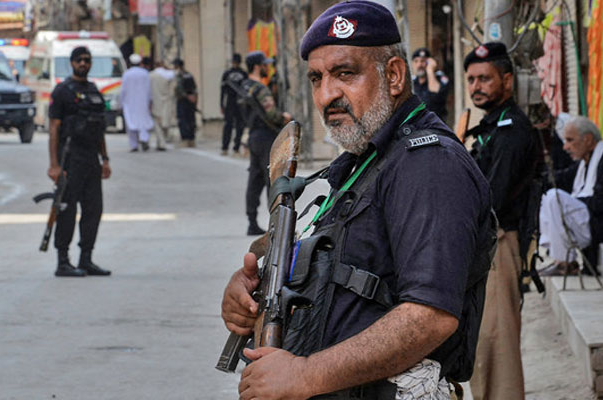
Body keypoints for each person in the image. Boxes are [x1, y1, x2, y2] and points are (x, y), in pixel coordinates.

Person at [220, 2, 494, 398]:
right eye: (316, 78)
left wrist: (305, 374)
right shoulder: (365, 161)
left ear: (394, 75)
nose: (327, 94)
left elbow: (429, 317)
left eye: (345, 73)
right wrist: (253, 297)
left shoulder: (429, 165)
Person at [463, 41, 539, 399]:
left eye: (485, 78)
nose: (477, 86)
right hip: (487, 246)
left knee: (497, 345)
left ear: (507, 81)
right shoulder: (491, 125)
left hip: (499, 245)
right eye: (472, 79)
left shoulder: (511, 130)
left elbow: (492, 197)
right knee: (483, 345)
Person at [47, 46, 111, 278]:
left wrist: (105, 159)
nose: (84, 64)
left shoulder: (94, 91)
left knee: (93, 210)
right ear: (72, 63)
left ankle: (86, 259)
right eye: (79, 60)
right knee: (66, 209)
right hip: (70, 157)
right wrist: (54, 165)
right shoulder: (62, 91)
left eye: (87, 60)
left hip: (91, 159)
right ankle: (63, 261)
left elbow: (100, 129)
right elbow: (54, 129)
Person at [539, 116, 603, 276]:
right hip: (587, 222)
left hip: (598, 224)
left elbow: (600, 202)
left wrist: (574, 202)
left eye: (569, 140)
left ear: (588, 140)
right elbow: (559, 177)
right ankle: (562, 260)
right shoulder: (583, 163)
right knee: (547, 196)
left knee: (555, 197)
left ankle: (564, 262)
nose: (565, 147)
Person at [241, 50, 291, 236]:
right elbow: (271, 114)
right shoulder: (260, 89)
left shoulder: (245, 86)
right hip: (266, 136)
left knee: (254, 179)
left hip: (253, 136)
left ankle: (252, 221)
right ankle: (276, 223)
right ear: (257, 66)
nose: (267, 68)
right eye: (264, 65)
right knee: (273, 178)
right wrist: (284, 117)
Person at [120, 54, 155, 152]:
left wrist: (120, 103)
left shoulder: (126, 74)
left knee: (130, 123)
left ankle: (134, 145)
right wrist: (150, 100)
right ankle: (144, 139)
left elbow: (123, 90)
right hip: (142, 102)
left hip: (129, 102)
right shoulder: (145, 73)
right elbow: (149, 89)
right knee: (143, 121)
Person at [411, 47, 449, 121]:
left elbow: (435, 95)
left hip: (436, 126)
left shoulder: (440, 78)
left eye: (422, 61)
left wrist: (430, 70)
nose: (419, 65)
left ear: (429, 62)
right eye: (416, 61)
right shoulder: (412, 82)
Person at [220, 53, 247, 155]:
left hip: (240, 102)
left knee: (240, 125)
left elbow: (245, 90)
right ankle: (225, 147)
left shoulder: (243, 74)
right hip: (230, 102)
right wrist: (221, 104)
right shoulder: (227, 74)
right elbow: (222, 90)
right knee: (228, 125)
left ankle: (236, 147)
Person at [149, 61, 176, 151]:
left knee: (157, 123)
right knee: (165, 123)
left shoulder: (151, 76)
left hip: (156, 101)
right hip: (167, 101)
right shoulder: (170, 75)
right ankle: (161, 142)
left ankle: (161, 142)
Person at [173, 58, 198, 147]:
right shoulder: (189, 75)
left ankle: (185, 139)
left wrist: (186, 96)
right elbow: (195, 88)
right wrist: (194, 99)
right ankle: (192, 139)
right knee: (191, 119)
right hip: (191, 100)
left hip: (183, 100)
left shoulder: (179, 75)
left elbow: (179, 89)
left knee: (182, 120)